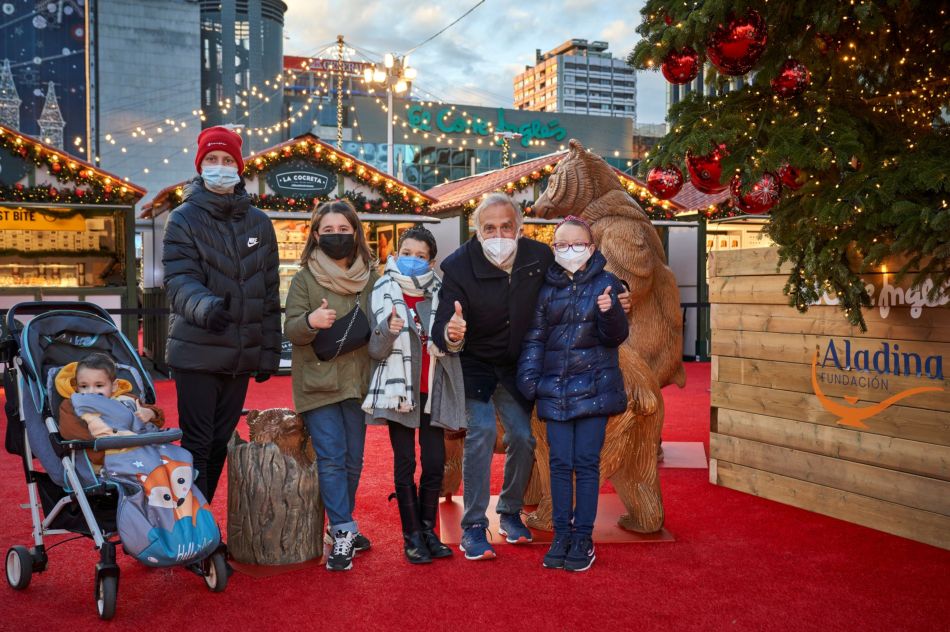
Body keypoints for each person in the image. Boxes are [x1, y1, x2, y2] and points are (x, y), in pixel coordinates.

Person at [431, 193, 633, 561]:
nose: (498, 233)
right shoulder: (458, 265)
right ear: (476, 230)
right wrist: (451, 331)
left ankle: (509, 510)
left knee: (523, 438)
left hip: (516, 365)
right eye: (489, 227)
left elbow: (581, 277)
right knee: (481, 435)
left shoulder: (538, 257)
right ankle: (474, 526)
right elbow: (441, 323)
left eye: (506, 226)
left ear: (520, 228)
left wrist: (621, 293)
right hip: (474, 363)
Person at [162, 125, 281, 504]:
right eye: (211, 160)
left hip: (239, 356)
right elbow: (179, 280)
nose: (220, 167)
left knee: (218, 443)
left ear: (239, 167)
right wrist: (207, 307)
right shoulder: (182, 218)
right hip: (197, 350)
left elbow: (269, 291)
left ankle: (201, 519)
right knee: (197, 443)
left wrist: (267, 351)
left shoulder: (259, 223)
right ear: (200, 166)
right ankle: (192, 528)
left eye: (227, 160)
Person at [517, 216, 629, 572]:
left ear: (592, 248)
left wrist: (609, 314)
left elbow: (615, 337)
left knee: (586, 463)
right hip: (555, 390)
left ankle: (583, 536)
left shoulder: (608, 284)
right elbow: (535, 337)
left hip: (594, 390)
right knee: (560, 464)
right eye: (562, 245)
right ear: (554, 249)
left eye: (577, 244)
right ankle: (561, 535)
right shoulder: (546, 289)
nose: (570, 251)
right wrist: (530, 383)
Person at [284, 199, 378, 572]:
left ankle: (343, 524)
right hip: (318, 384)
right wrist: (311, 320)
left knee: (353, 460)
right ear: (316, 235)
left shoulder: (371, 276)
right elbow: (291, 330)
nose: (336, 236)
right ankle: (341, 530)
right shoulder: (305, 278)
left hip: (358, 382)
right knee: (332, 457)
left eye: (343, 230)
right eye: (328, 231)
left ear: (355, 232)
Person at [363, 226, 463, 565]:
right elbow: (375, 351)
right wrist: (387, 332)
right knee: (405, 463)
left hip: (431, 390)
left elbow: (452, 344)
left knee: (434, 462)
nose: (412, 260)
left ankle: (429, 530)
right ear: (396, 253)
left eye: (421, 256)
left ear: (431, 261)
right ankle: (412, 537)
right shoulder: (382, 289)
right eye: (407, 253)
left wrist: (454, 336)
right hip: (399, 393)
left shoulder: (441, 293)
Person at [58, 352, 165, 467]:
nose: (91, 391)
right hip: (105, 460)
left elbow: (158, 419)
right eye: (84, 386)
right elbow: (72, 433)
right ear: (77, 386)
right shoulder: (72, 405)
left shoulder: (125, 398)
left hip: (142, 452)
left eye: (99, 385)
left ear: (113, 386)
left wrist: (151, 413)